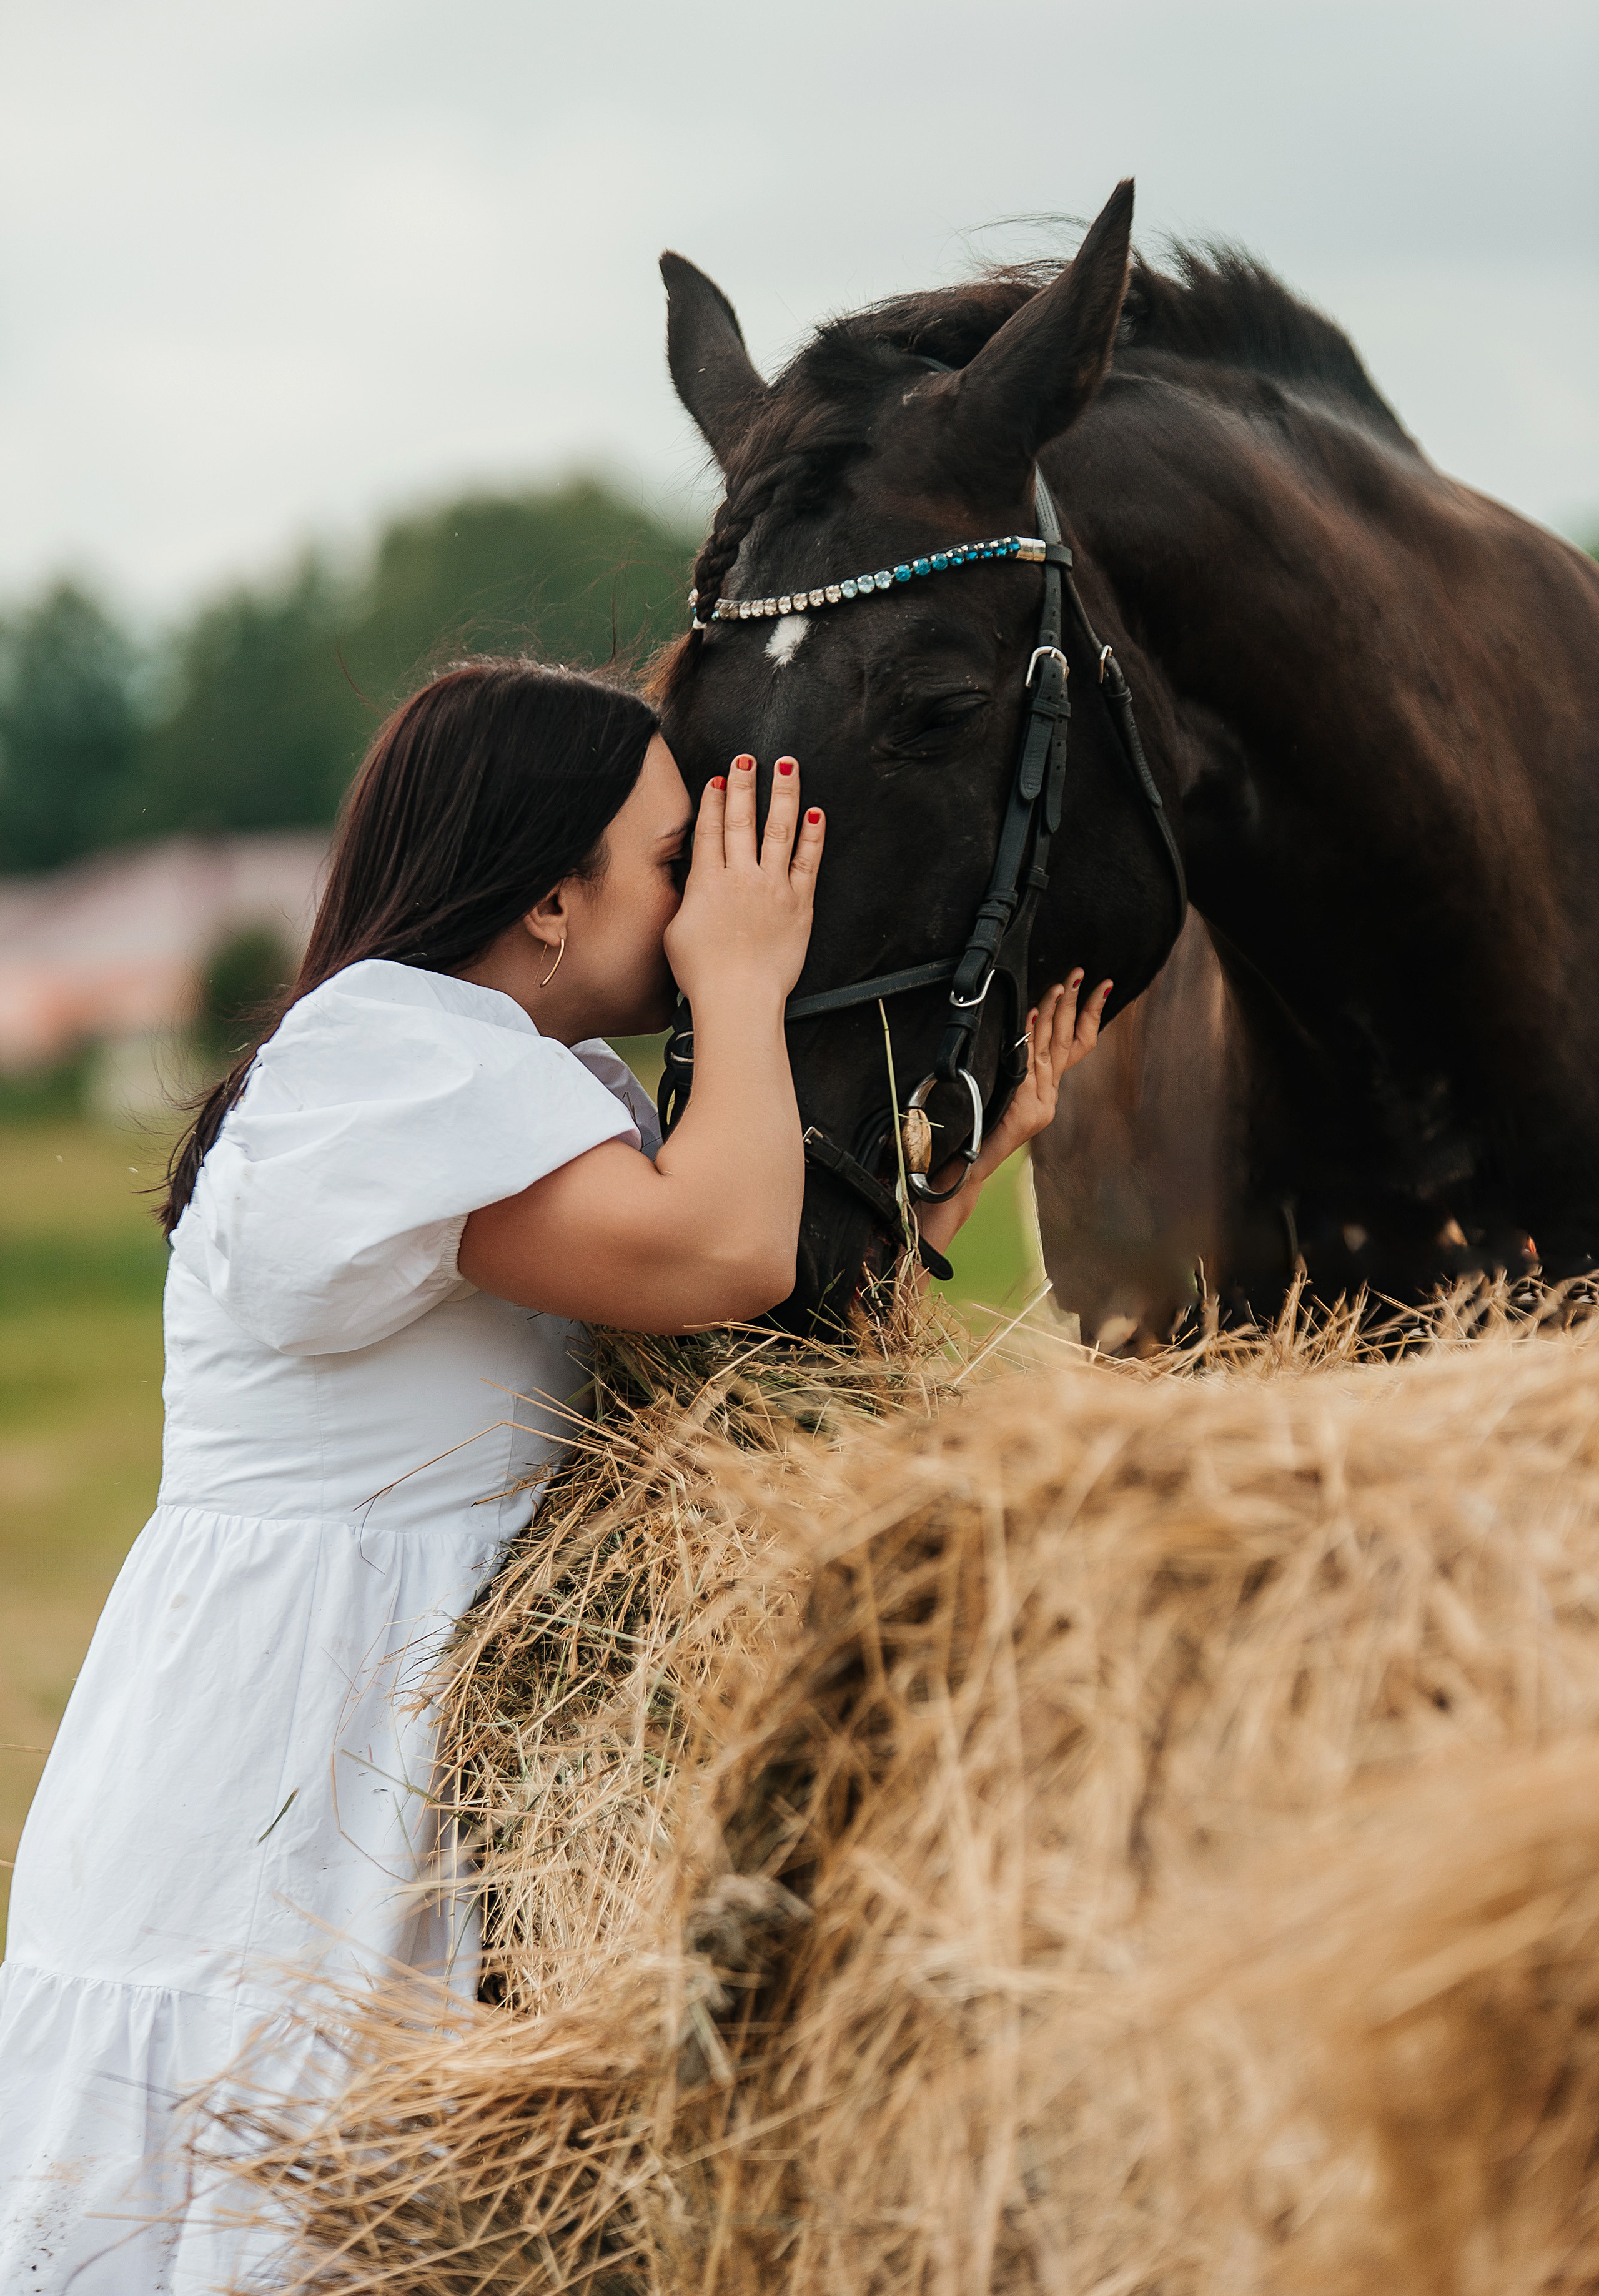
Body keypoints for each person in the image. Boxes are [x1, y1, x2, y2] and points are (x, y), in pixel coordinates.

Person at [0, 658, 1106, 2292]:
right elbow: (728, 1248)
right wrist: (745, 981)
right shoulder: (385, 1064)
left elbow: (731, 1353)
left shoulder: (503, 1081)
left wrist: (956, 1178)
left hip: (401, 1744)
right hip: (293, 1770)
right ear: (544, 898)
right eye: (674, 862)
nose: (703, 900)